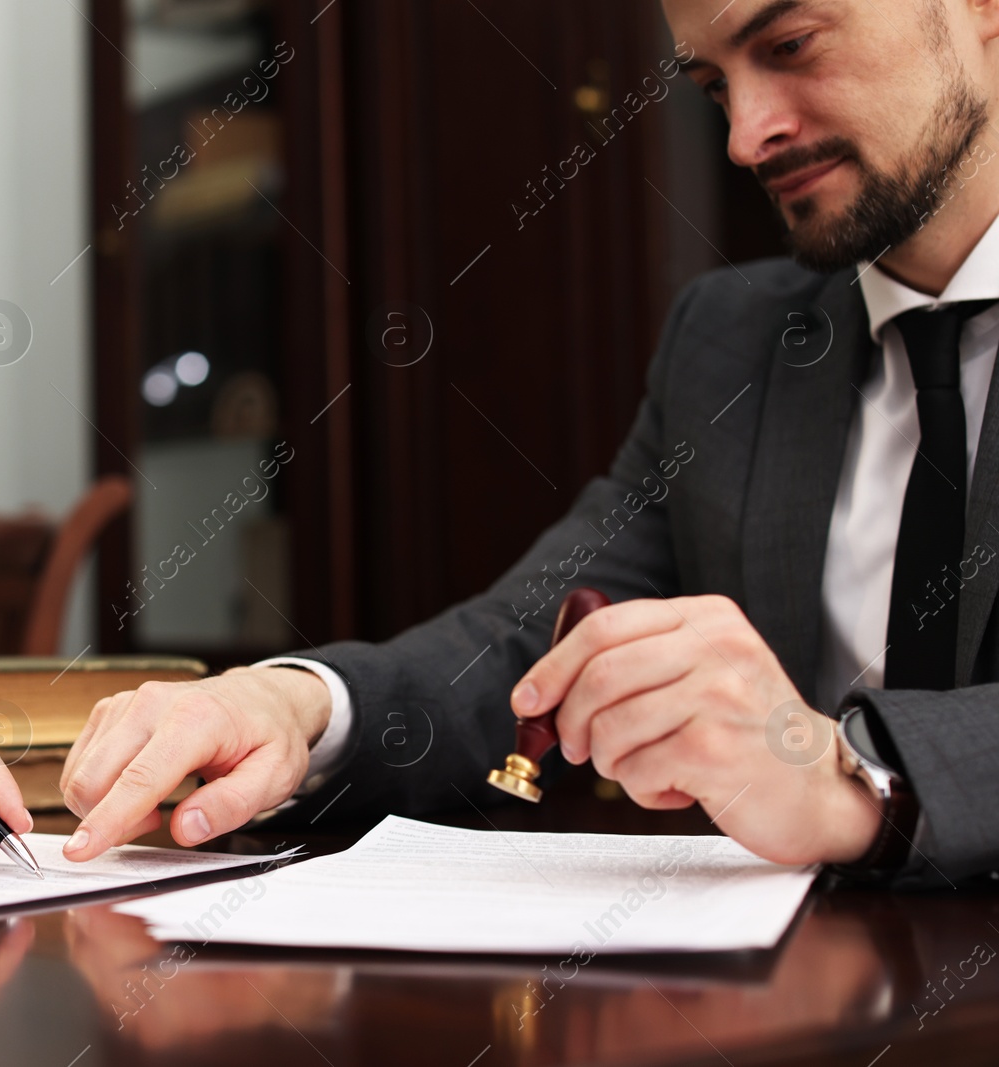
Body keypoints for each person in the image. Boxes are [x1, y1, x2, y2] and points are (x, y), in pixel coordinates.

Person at [58, 0, 999, 889]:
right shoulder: (731, 341)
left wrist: (847, 773)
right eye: (713, 86)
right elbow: (527, 643)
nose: (747, 135)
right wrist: (296, 708)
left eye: (791, 44)